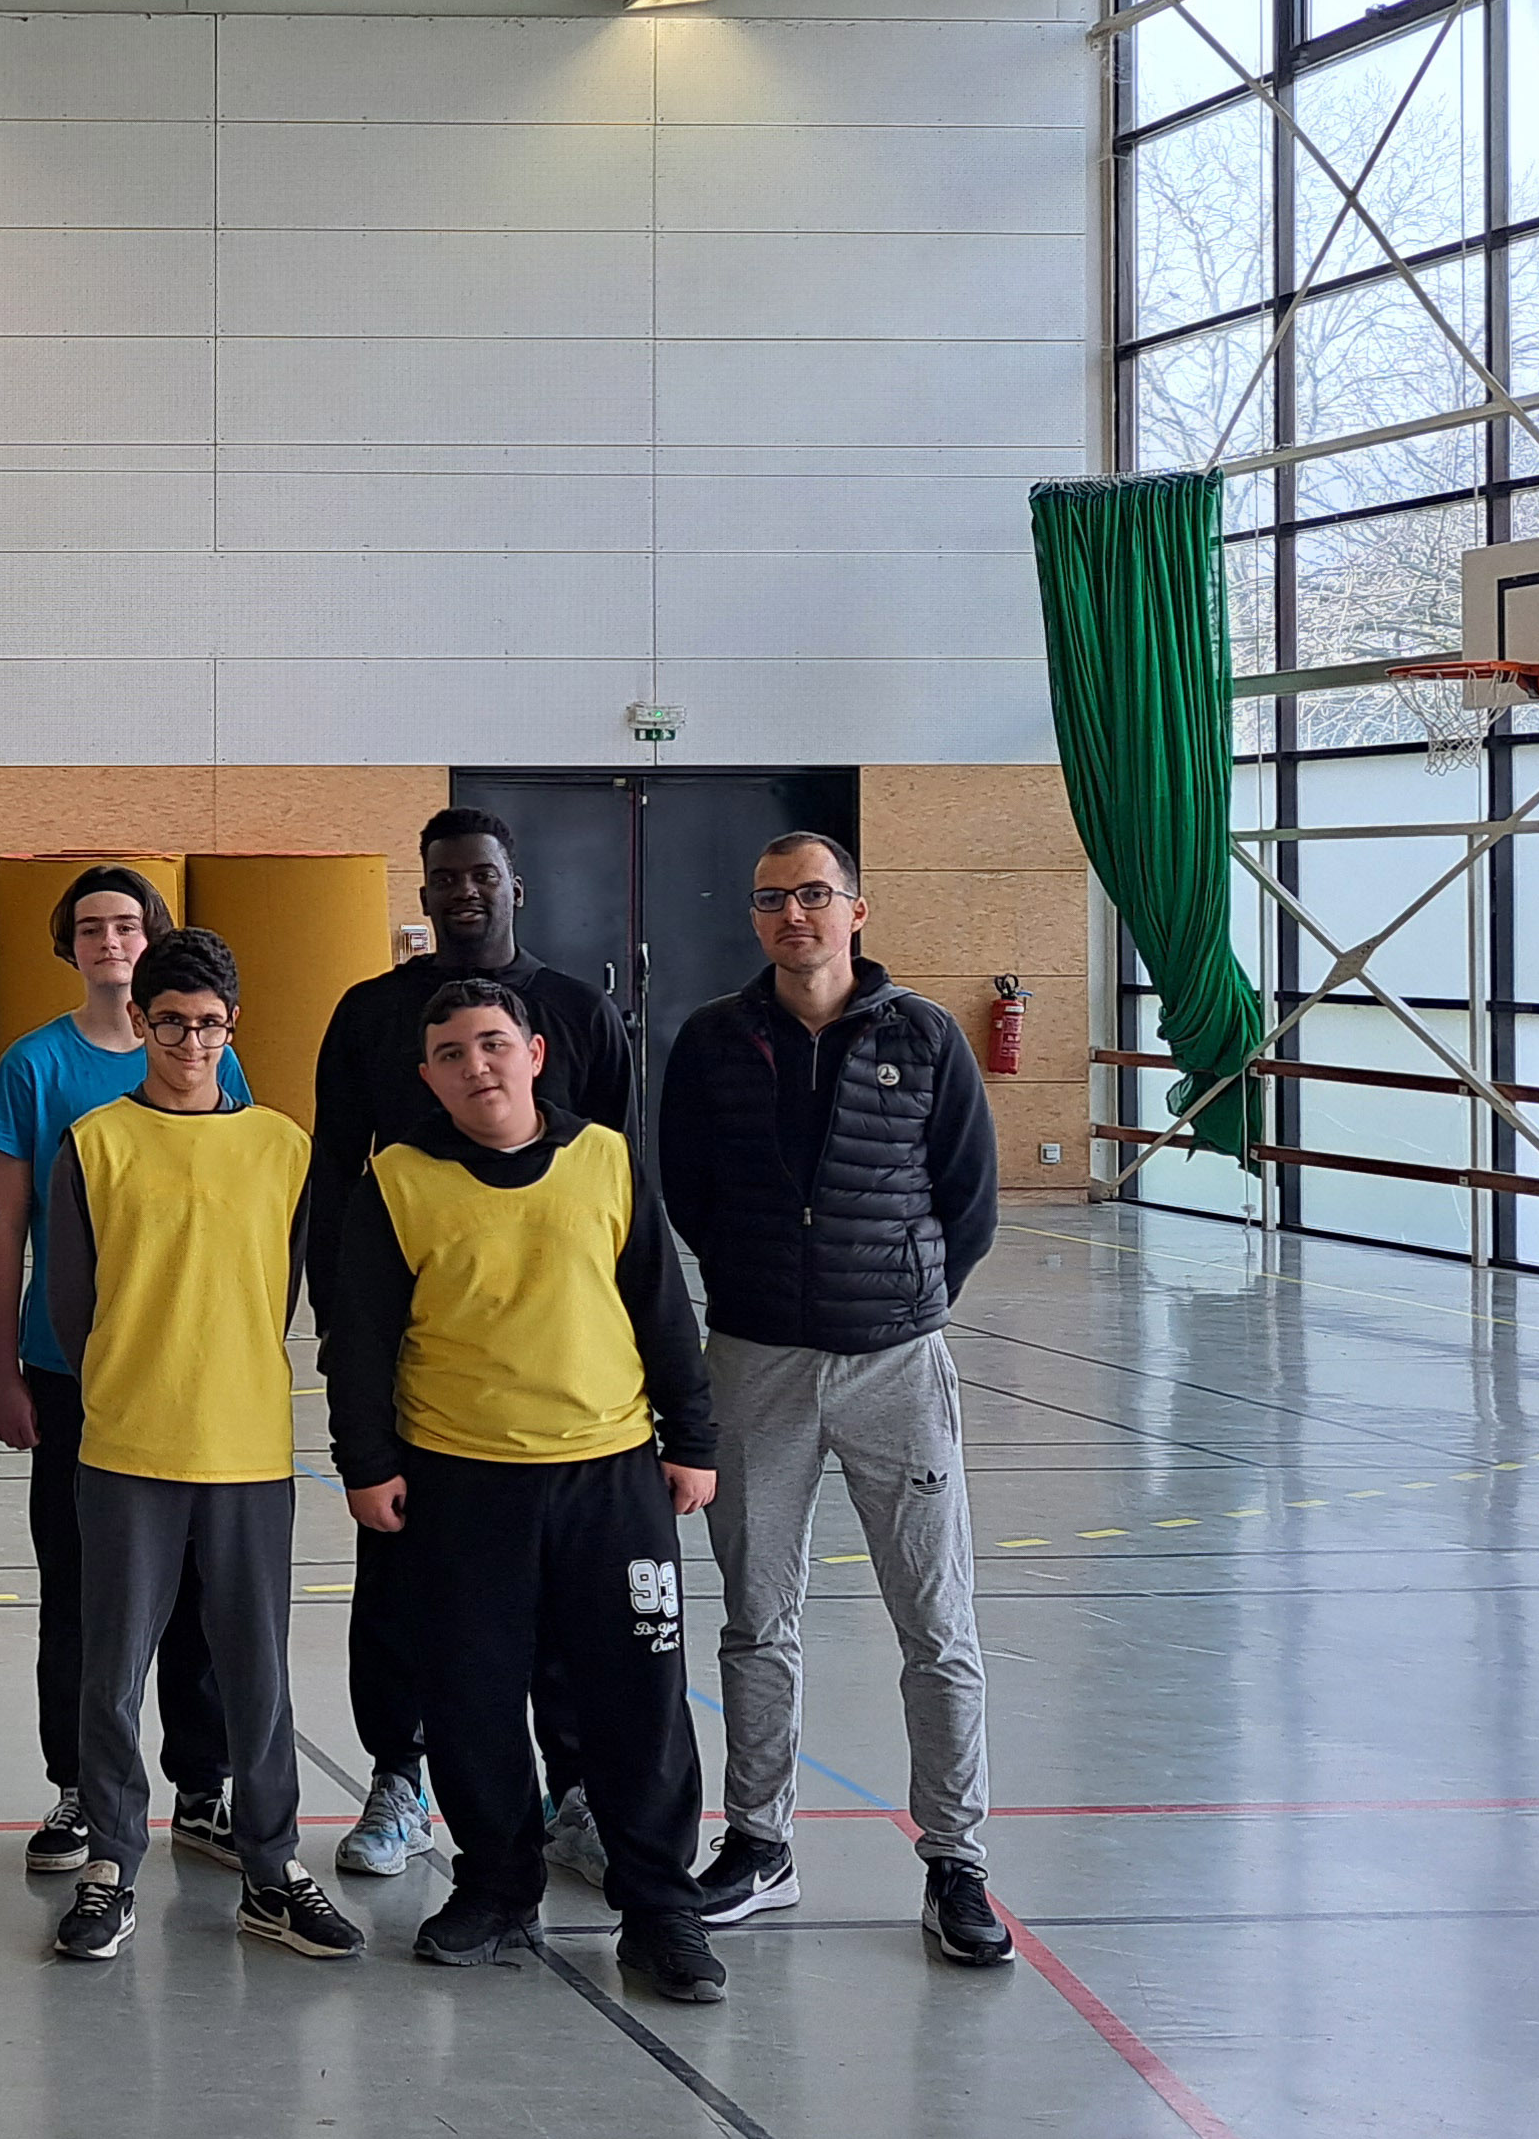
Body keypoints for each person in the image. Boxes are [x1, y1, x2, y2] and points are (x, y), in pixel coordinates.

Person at [323, 980, 727, 2004]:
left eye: (492, 1044)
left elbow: (658, 1307)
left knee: (638, 1701)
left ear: (535, 1053)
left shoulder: (603, 1159)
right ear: (427, 1076)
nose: (476, 1066)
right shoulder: (399, 1178)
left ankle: (659, 1908)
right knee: (470, 1698)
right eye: (450, 1053)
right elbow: (359, 1338)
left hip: (610, 1476)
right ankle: (497, 1886)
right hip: (462, 1482)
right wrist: (365, 1463)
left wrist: (692, 1436)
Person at [659, 833, 1012, 1967]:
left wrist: (891, 1296)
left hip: (895, 1367)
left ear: (855, 911)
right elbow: (690, 1194)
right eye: (771, 900)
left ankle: (954, 1862)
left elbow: (966, 1201)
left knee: (935, 1624)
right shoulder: (713, 1040)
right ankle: (758, 1841)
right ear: (755, 918)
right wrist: (773, 1287)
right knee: (756, 1619)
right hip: (756, 1363)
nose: (792, 916)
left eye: (813, 895)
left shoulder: (924, 1035)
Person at [305, 805, 633, 1881]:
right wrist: (338, 1334)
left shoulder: (580, 1013)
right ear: (423, 891)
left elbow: (624, 1190)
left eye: (481, 874)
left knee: (560, 1602)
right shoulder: (366, 1016)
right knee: (401, 1582)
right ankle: (399, 1778)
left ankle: (575, 1784)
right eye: (442, 876)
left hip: (560, 1380)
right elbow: (330, 1179)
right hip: (419, 1373)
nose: (462, 891)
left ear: (513, 885)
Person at [44, 929, 363, 1965]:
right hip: (126, 1445)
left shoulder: (282, 1146)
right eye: (169, 1020)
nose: (188, 1039)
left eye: (207, 1024)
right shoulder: (93, 1141)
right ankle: (110, 1863)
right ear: (138, 1021)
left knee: (255, 1672)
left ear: (233, 1029)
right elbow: (71, 1302)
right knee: (111, 1671)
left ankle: (271, 1868)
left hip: (245, 1449)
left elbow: (283, 1295)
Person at [0, 866, 243, 1874]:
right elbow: (4, 1230)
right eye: (88, 926)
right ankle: (78, 1789)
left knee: (196, 1588)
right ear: (68, 944)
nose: (109, 940)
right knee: (82, 1590)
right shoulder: (35, 1067)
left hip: (186, 1374)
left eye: (126, 923)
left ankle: (203, 1787)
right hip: (73, 1373)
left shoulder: (214, 1055)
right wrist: (3, 1369)